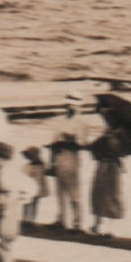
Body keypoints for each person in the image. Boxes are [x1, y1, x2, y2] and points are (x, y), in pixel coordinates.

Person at [90, 94, 131, 236]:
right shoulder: (112, 130)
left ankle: (110, 226)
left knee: (113, 195)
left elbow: (113, 147)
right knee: (100, 194)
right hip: (106, 164)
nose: (103, 115)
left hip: (115, 165)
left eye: (104, 111)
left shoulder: (120, 132)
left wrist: (102, 141)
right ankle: (99, 224)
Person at [48, 95, 96, 230]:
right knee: (60, 192)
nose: (70, 108)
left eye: (73, 105)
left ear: (79, 107)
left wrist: (69, 139)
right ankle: (61, 219)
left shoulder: (81, 123)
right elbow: (54, 143)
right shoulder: (61, 122)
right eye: (68, 105)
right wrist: (52, 162)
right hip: (59, 157)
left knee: (74, 192)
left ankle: (77, 222)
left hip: (71, 158)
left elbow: (82, 144)